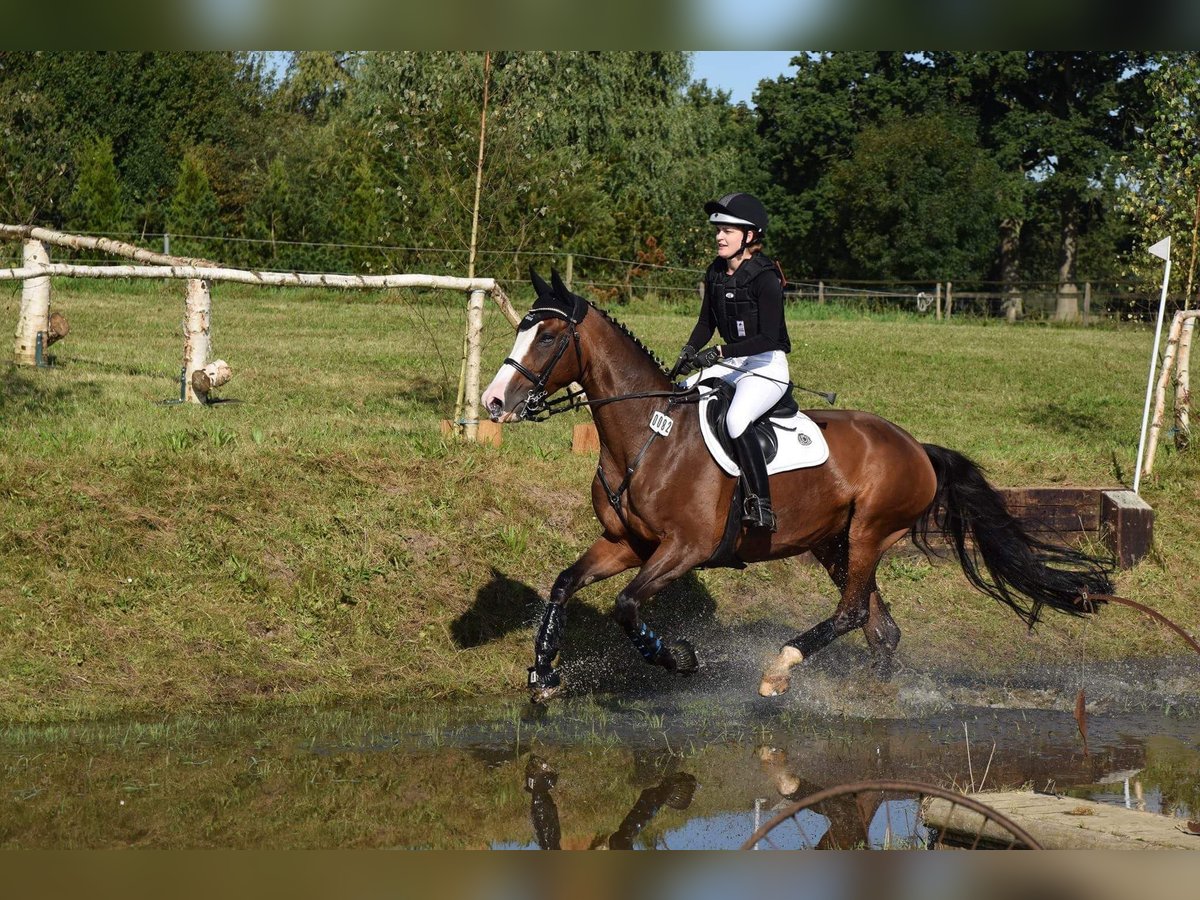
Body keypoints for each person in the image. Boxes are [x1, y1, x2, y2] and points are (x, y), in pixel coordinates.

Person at [671, 192, 790, 533]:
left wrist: (721, 353)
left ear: (749, 236)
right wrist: (688, 353)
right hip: (732, 363)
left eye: (728, 230)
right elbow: (706, 323)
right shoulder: (716, 272)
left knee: (737, 420)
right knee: (680, 395)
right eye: (717, 230)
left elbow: (769, 338)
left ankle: (761, 504)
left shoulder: (766, 278)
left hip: (766, 365)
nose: (719, 236)